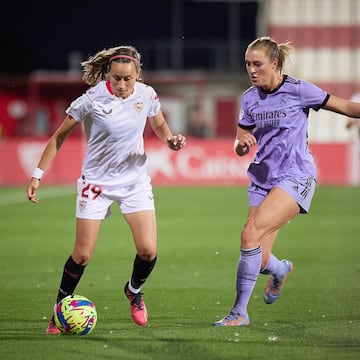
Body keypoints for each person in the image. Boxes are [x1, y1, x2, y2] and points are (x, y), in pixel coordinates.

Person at [26, 45, 186, 333]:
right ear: (108, 76)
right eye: (116, 79)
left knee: (148, 251)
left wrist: (170, 139)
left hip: (134, 181)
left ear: (138, 74)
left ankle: (134, 291)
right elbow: (58, 137)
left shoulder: (147, 94)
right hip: (95, 183)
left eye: (128, 79)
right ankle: (59, 309)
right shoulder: (91, 98)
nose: (122, 85)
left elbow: (159, 123)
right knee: (82, 255)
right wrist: (37, 174)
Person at [213, 36, 360, 327]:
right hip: (262, 179)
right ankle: (281, 270)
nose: (252, 70)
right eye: (247, 65)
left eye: (258, 64)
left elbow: (345, 107)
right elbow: (240, 139)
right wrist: (242, 145)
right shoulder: (249, 98)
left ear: (275, 63)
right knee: (261, 255)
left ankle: (239, 313)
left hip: (296, 176)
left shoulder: (299, 90)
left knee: (248, 234)